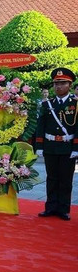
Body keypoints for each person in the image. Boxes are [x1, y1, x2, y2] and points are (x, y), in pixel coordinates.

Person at [34, 68, 76, 221]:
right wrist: (39, 146)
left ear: (69, 85)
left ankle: (63, 209)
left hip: (67, 147)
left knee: (66, 180)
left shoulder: (75, 104)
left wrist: (76, 148)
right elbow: (41, 126)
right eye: (56, 84)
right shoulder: (47, 105)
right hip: (50, 146)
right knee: (51, 178)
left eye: (63, 83)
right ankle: (50, 207)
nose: (59, 87)